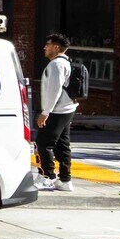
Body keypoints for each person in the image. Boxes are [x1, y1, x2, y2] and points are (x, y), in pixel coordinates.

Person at [36, 33, 78, 191]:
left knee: (43, 143)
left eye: (48, 44)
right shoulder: (65, 62)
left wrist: (45, 112)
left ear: (56, 47)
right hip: (66, 109)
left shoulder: (56, 65)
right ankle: (65, 180)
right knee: (62, 144)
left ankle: (47, 177)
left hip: (57, 111)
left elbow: (54, 90)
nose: (45, 47)